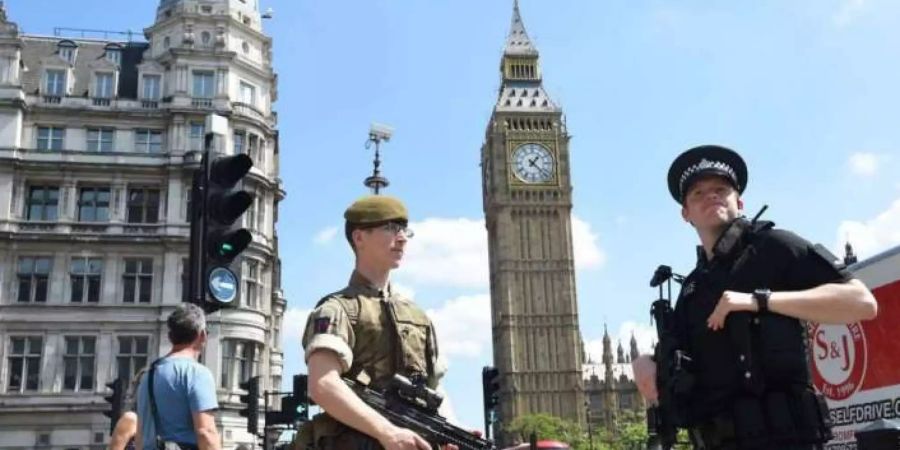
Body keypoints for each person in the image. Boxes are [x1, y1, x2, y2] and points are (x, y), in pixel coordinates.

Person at [633, 145, 877, 449]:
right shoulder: (693, 289)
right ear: (686, 214)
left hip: (786, 439)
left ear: (740, 201)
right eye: (698, 193)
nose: (711, 196)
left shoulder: (773, 247)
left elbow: (861, 302)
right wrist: (645, 362)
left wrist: (759, 301)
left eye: (721, 189)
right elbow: (679, 360)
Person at [295, 195, 456, 450]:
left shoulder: (418, 317)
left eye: (404, 229)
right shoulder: (337, 309)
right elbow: (323, 384)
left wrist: (453, 435)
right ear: (359, 238)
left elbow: (436, 392)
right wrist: (387, 432)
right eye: (390, 228)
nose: (401, 238)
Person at [135, 304, 221, 450]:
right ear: (202, 335)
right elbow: (206, 432)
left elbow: (140, 436)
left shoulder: (147, 376)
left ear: (170, 337)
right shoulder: (197, 374)